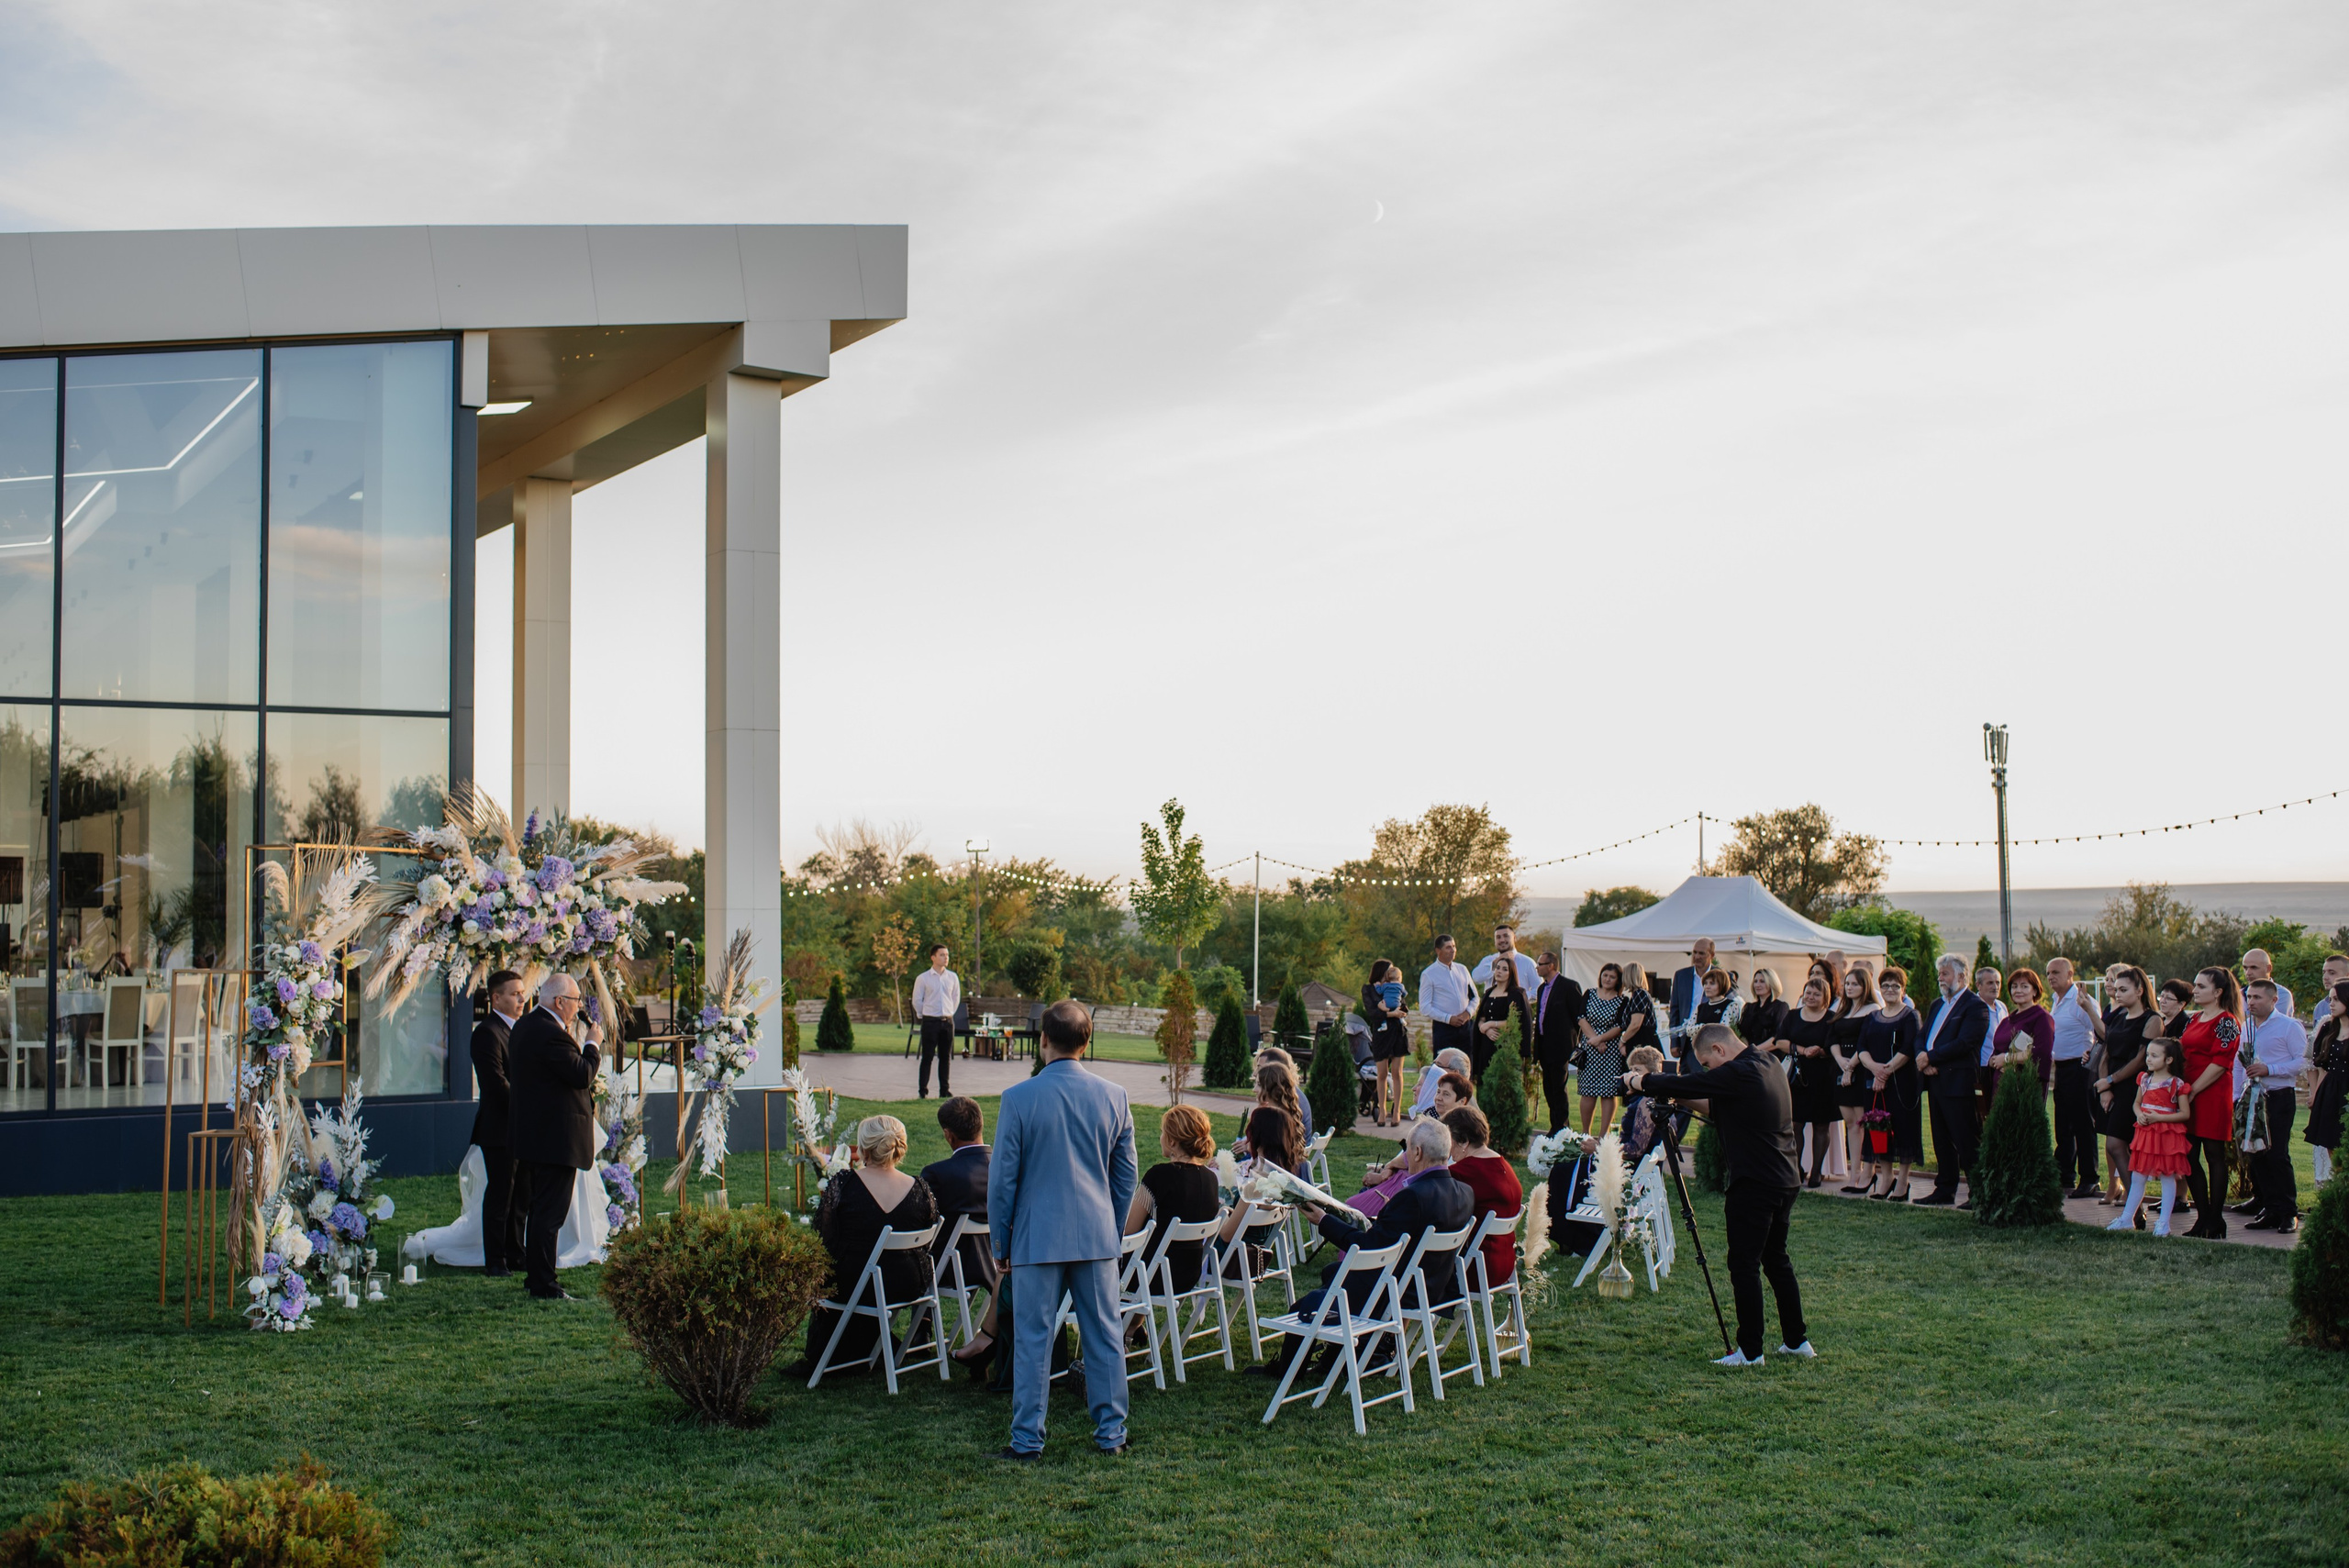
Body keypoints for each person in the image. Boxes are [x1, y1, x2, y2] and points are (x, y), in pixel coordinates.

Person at [986, 999, 1139, 1460]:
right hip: (1095, 1234)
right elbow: (1126, 1174)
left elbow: (1002, 1181)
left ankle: (1027, 1440)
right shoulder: (1115, 1096)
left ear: (1043, 1040)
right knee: (1105, 1335)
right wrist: (1109, 1226)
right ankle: (1112, 1435)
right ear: (1087, 1043)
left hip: (1035, 1236)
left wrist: (1000, 1240)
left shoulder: (1018, 1098)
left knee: (1034, 1338)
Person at [1626, 1023, 1812, 1367]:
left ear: (1721, 1051)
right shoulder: (1766, 1062)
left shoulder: (1740, 1071)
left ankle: (1751, 1352)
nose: (1709, 1070)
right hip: (1784, 1178)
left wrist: (1641, 1082)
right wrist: (1677, 1095)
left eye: (1708, 1064)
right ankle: (1796, 1340)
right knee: (1775, 1260)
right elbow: (1716, 1105)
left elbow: (1696, 1084)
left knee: (1744, 1264)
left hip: (1755, 1182)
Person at [1255, 1120, 1473, 1380]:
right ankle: (1338, 1357)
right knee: (1332, 1271)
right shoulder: (1464, 1192)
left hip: (1396, 1290)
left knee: (1305, 1306)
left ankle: (1289, 1372)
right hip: (1432, 1287)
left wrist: (1323, 1221)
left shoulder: (1413, 1197)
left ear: (1417, 1153)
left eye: (1409, 1150)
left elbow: (1368, 1248)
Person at [795, 1116, 940, 1373]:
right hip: (907, 1284)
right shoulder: (919, 1188)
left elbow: (823, 1238)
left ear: (863, 1149)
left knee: (830, 1271)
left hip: (856, 1284)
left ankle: (839, 1349)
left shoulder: (845, 1184)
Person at [506, 974, 604, 1302]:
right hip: (555, 1138)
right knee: (550, 1214)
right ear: (559, 1001)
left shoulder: (526, 1026)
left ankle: (537, 1277)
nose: (578, 1008)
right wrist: (592, 1044)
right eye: (575, 1001)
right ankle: (544, 1285)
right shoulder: (550, 1033)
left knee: (540, 1211)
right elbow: (582, 1074)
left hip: (536, 1135)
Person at [920, 1097, 996, 1369]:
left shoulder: (938, 1174)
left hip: (951, 1268)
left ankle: (922, 1327)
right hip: (999, 1265)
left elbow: (922, 1223)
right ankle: (923, 1327)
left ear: (948, 1135)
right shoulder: (1004, 1166)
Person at [1915, 955, 1988, 1207]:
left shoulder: (1974, 1006)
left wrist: (1931, 1057)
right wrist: (1921, 1058)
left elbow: (1966, 1042)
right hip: (1935, 1082)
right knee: (1941, 1138)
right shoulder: (1937, 1004)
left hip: (1959, 1082)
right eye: (1940, 974)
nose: (1940, 978)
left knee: (1967, 1139)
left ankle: (1978, 1192)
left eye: (1945, 973)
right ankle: (1944, 1189)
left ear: (1961, 976)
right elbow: (1922, 1036)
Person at [1125, 1104, 1222, 1295]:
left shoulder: (1158, 1176)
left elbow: (1129, 1232)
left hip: (1149, 1275)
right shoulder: (1211, 1179)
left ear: (1172, 1141)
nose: (1160, 1137)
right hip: (1187, 1275)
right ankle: (1133, 1324)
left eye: (1163, 1132)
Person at [468, 969, 527, 1278]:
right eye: (515, 993)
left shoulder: (518, 1030)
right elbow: (494, 1083)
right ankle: (495, 1259)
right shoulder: (487, 1033)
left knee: (521, 1195)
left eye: (522, 992)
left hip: (520, 1126)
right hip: (498, 1127)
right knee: (501, 1193)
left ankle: (516, 1253)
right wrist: (528, 1104)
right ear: (496, 998)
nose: (521, 998)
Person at [2176, 966, 2242, 1240]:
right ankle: (2203, 1217)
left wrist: (2193, 1091)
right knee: (2189, 1156)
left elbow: (2220, 1063)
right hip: (2188, 1093)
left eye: (2201, 986)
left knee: (2214, 1155)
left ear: (2217, 992)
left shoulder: (2227, 1022)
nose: (2195, 990)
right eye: (2195, 984)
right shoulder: (2194, 1019)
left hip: (2212, 1094)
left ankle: (2215, 1220)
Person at [2239, 979, 2308, 1233]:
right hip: (2251, 1096)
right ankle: (2270, 1207)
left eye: (2258, 997)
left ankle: (2289, 1211)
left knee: (2277, 1153)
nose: (2252, 1002)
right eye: (2249, 997)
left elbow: (2302, 1063)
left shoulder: (2289, 1026)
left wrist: (2271, 1069)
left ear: (2273, 1000)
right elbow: (2239, 1063)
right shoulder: (2247, 1026)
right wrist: (2238, 1096)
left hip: (2278, 1096)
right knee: (2256, 1153)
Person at [2107, 1038, 2192, 1237]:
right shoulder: (2144, 1079)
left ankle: (2163, 1224)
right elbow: (2137, 1103)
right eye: (2148, 1055)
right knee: (2138, 1177)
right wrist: (2139, 1115)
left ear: (2169, 1059)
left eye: (2155, 1056)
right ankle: (2127, 1218)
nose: (2149, 1059)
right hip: (2145, 1134)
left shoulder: (2176, 1084)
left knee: (2167, 1177)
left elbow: (2185, 1113)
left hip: (2166, 1136)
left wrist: (2159, 1117)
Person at [2093, 966, 2160, 1207]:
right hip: (2111, 1086)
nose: (2117, 993)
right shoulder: (2119, 1017)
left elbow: (2142, 1058)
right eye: (2116, 989)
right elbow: (2106, 1053)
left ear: (2140, 990)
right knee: (2113, 1145)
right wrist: (2105, 1088)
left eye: (2123, 989)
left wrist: (2111, 1081)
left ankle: (2134, 1202)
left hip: (2134, 1088)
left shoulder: (2152, 1019)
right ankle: (2134, 1205)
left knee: (2116, 1143)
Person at [2043, 956, 2106, 1199]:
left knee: (2082, 1124)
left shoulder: (2081, 999)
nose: (2051, 977)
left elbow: (2097, 1030)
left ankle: (2090, 1179)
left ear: (2070, 974)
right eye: (2048, 973)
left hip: (2080, 1068)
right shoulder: (2056, 1001)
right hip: (2061, 1069)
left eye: (2056, 972)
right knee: (2063, 1125)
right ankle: (2065, 1175)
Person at [1855, 967, 1921, 1200]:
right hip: (1874, 1083)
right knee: (1879, 1129)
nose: (1890, 990)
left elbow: (1908, 1049)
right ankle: (1885, 1180)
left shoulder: (1910, 1015)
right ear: (1880, 989)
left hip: (1901, 1083)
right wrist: (1875, 1070)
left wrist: (1885, 1073)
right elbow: (1861, 1048)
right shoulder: (1872, 1017)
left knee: (1902, 1130)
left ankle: (1902, 1183)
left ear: (1903, 990)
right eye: (1886, 986)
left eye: (1895, 986)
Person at [1442, 1104, 1521, 1284]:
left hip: (1474, 1267)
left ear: (1463, 1141)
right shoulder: (1504, 1166)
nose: (1447, 1149)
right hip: (1505, 1264)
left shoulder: (1462, 1172)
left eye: (1449, 1141)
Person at [1778, 976, 1840, 1189]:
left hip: (1823, 1076)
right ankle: (1796, 1170)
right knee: (1795, 1124)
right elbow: (1781, 1041)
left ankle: (1816, 1172)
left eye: (1816, 994)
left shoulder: (1832, 1018)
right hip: (1797, 1077)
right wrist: (1803, 1050)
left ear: (1825, 997)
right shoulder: (1793, 1016)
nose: (1810, 997)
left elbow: (1834, 1045)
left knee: (1821, 1125)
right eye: (1808, 992)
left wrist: (1821, 1051)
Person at [1826, 964, 1877, 1192]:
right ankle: (1853, 1171)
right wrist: (1840, 1062)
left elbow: (1866, 1040)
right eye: (1847, 983)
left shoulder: (1873, 1009)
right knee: (1850, 1124)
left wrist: (1851, 1066)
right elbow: (1832, 1039)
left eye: (1855, 984)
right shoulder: (1842, 1009)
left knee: (1862, 1122)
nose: (1850, 987)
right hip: (1842, 1068)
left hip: (1861, 1067)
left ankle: (1868, 1171)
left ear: (1865, 986)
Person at [1532, 951, 1586, 1135]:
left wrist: (1574, 1042)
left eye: (1540, 964)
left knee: (1559, 1087)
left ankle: (1562, 1127)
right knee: (1549, 1087)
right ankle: (1554, 1124)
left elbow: (1578, 1016)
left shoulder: (1569, 987)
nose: (1537, 967)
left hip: (1561, 1046)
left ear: (1551, 966)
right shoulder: (1541, 988)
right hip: (1544, 1045)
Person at [1577, 962, 1632, 1135]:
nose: (1607, 979)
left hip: (1611, 1052)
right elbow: (1581, 1017)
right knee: (1588, 1092)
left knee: (1609, 1093)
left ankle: (1603, 1135)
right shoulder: (1590, 993)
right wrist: (1595, 1040)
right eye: (1605, 975)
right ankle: (1585, 1133)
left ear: (1618, 980)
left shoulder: (1623, 1000)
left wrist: (1601, 1039)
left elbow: (1620, 1026)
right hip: (1590, 1049)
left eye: (1612, 977)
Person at [2305, 980, 2349, 1187]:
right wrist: (2316, 1094)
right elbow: (2323, 1066)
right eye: (2330, 999)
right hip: (2331, 1091)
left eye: (2336, 999)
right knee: (2332, 1144)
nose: (2331, 1003)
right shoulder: (2328, 1028)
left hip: (2347, 1093)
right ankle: (2339, 1191)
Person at [1419, 935, 1479, 1087]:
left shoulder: (1462, 969)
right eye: (1448, 947)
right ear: (1438, 950)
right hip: (1444, 1028)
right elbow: (1425, 1006)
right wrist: (1448, 1018)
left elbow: (1475, 997)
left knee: (1466, 1067)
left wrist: (1467, 1014)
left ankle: (1465, 1103)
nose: (1453, 950)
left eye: (1454, 946)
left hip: (1466, 1027)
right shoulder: (1429, 974)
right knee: (1443, 1070)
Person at [1363, 959, 1412, 1127]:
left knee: (1397, 1072)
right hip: (1381, 1034)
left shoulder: (1396, 985)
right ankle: (1382, 1110)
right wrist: (1392, 1014)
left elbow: (1404, 1007)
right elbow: (1373, 1013)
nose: (1392, 973)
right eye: (1389, 970)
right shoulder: (1369, 989)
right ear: (1381, 971)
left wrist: (1402, 1013)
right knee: (1382, 1073)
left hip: (1398, 1033)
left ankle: (1396, 1110)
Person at [1471, 950, 1531, 1084]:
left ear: (1511, 973)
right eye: (1498, 968)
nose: (1499, 971)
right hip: (1486, 1046)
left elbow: (1518, 1022)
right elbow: (1481, 1017)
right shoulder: (1488, 992)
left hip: (1506, 1046)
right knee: (1486, 1085)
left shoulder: (1517, 994)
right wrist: (1485, 1028)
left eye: (1504, 969)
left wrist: (1492, 1024)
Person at [911, 942, 961, 1100]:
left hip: (947, 1022)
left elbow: (955, 998)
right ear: (933, 957)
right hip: (930, 1022)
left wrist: (949, 1013)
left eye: (947, 955)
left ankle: (944, 1090)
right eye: (942, 955)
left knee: (945, 1057)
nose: (946, 958)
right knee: (927, 1057)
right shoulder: (923, 978)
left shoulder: (952, 977)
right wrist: (923, 1014)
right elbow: (917, 1000)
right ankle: (923, 1090)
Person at [1992, 968, 2055, 1092]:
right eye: (2014, 987)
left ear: (2035, 991)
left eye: (2024, 986)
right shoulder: (2007, 1021)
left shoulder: (2041, 1018)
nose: (2018, 990)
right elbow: (1997, 1050)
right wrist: (1993, 1061)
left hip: (2025, 1087)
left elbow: (2040, 1053)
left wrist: (2007, 1059)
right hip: (2001, 1085)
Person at [1679, 967, 1742, 1068]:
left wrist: (1701, 1028)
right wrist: (1709, 1027)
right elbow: (1689, 1030)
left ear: (1721, 985)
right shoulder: (1700, 1007)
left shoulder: (1730, 1005)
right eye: (1705, 983)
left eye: (1712, 983)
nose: (1707, 987)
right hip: (1699, 1055)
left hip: (1719, 1056)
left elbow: (1722, 1029)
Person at [1972, 965, 2009, 1128]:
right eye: (1990, 983)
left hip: (2000, 1068)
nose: (1995, 987)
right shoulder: (1972, 1007)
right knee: (1982, 1115)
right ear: (1978, 985)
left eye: (1998, 982)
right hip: (1980, 1069)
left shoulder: (2001, 1007)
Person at [1253, 1047, 1314, 1140]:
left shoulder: (1286, 1103)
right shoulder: (1291, 1094)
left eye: (1260, 1068)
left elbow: (1274, 1144)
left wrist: (1249, 1146)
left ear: (1274, 1070)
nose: (1255, 1073)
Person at [1670, 939, 1720, 1049]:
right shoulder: (1681, 976)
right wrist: (1674, 1042)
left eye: (1701, 953)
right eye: (1694, 952)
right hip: (1685, 1041)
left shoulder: (1722, 977)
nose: (1697, 957)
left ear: (1711, 955)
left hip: (1709, 1041)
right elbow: (1675, 1010)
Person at [1471, 924, 1540, 994]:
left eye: (1506, 936)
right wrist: (1497, 961)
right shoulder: (1488, 960)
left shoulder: (1527, 962)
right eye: (1498, 937)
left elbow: (1539, 990)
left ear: (1514, 938)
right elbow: (1476, 978)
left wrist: (1519, 998)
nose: (1502, 940)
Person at [1408, 1047, 1473, 1118]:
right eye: (1433, 1065)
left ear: (1455, 1074)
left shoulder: (1462, 1116)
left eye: (1438, 1066)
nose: (1433, 1069)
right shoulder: (1433, 1108)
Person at [1738, 969, 1787, 1059]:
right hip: (1750, 1056)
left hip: (1770, 1058)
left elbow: (1778, 1037)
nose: (1757, 985)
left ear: (1772, 983)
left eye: (1762, 981)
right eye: (1755, 981)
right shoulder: (1749, 1007)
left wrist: (1753, 1050)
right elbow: (1741, 1033)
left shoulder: (1780, 1007)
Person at [2240, 947, 2294, 1019]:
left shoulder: (2282, 994)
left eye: (2254, 967)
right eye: (2245, 968)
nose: (2248, 973)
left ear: (2268, 968)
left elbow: (2273, 1023)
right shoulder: (2238, 995)